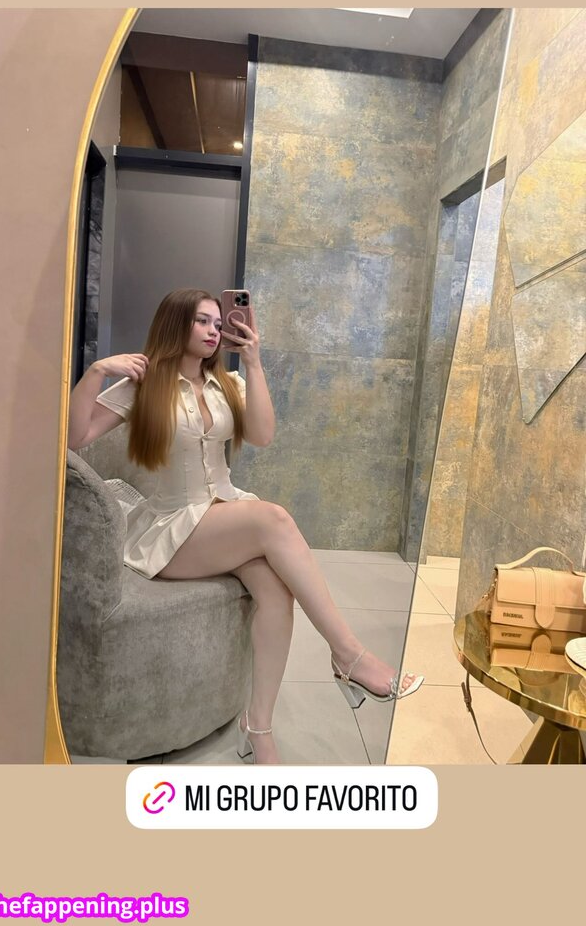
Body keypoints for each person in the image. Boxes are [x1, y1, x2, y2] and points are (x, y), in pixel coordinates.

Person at [68, 288, 423, 764]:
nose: (214, 331)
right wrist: (96, 371)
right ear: (175, 324)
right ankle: (349, 655)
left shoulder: (227, 384)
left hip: (224, 516)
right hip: (174, 528)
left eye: (219, 323)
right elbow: (75, 437)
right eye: (202, 321)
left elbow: (262, 435)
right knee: (274, 519)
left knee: (276, 592)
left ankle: (258, 727)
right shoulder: (145, 383)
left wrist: (253, 363)